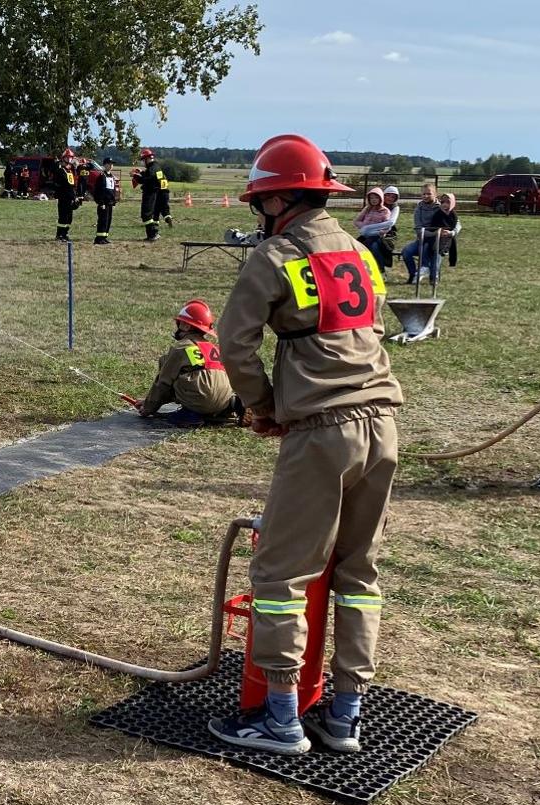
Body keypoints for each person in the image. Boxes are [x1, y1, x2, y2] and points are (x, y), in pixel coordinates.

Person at [210, 133, 403, 756]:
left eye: (260, 202)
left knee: (281, 575)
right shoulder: (358, 250)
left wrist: (264, 406)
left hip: (322, 432)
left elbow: (233, 345)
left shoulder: (273, 256)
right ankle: (346, 713)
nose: (257, 214)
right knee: (357, 571)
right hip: (382, 422)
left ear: (281, 200)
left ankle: (281, 719)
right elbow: (368, 323)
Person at [137, 300, 242, 425]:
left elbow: (163, 383)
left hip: (199, 400)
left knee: (168, 365)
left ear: (186, 326)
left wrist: (149, 407)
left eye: (180, 322)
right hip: (223, 400)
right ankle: (228, 408)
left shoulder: (181, 347)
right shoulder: (214, 348)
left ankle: (191, 413)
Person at [353, 187, 398, 270]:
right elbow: (356, 221)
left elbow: (389, 225)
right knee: (356, 246)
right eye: (371, 198)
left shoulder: (386, 211)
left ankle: (380, 269)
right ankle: (361, 268)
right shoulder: (367, 208)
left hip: (379, 235)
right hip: (365, 235)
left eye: (376, 197)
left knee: (373, 246)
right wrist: (364, 227)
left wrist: (369, 229)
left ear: (380, 198)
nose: (374, 200)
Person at [139, 148, 172, 240]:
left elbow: (149, 179)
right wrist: (141, 173)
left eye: (143, 160)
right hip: (160, 192)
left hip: (151, 193)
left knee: (147, 214)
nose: (142, 162)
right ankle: (152, 234)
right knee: (154, 213)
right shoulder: (155, 167)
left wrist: (138, 178)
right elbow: (150, 176)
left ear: (147, 159)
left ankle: (153, 234)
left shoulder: (152, 168)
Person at [51, 149, 81, 242]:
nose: (69, 160)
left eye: (70, 158)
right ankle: (59, 235)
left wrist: (75, 196)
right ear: (63, 159)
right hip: (63, 197)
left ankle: (65, 234)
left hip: (70, 197)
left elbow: (73, 185)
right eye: (67, 158)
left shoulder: (71, 171)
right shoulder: (60, 171)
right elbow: (65, 185)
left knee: (69, 218)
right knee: (63, 217)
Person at [91, 157, 119, 244]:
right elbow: (98, 190)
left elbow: (112, 190)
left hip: (110, 202)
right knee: (102, 220)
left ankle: (104, 237)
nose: (111, 166)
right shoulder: (101, 176)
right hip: (103, 203)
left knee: (108, 220)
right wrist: (100, 202)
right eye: (109, 164)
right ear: (104, 165)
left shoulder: (111, 176)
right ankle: (99, 238)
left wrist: (114, 201)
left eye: (112, 164)